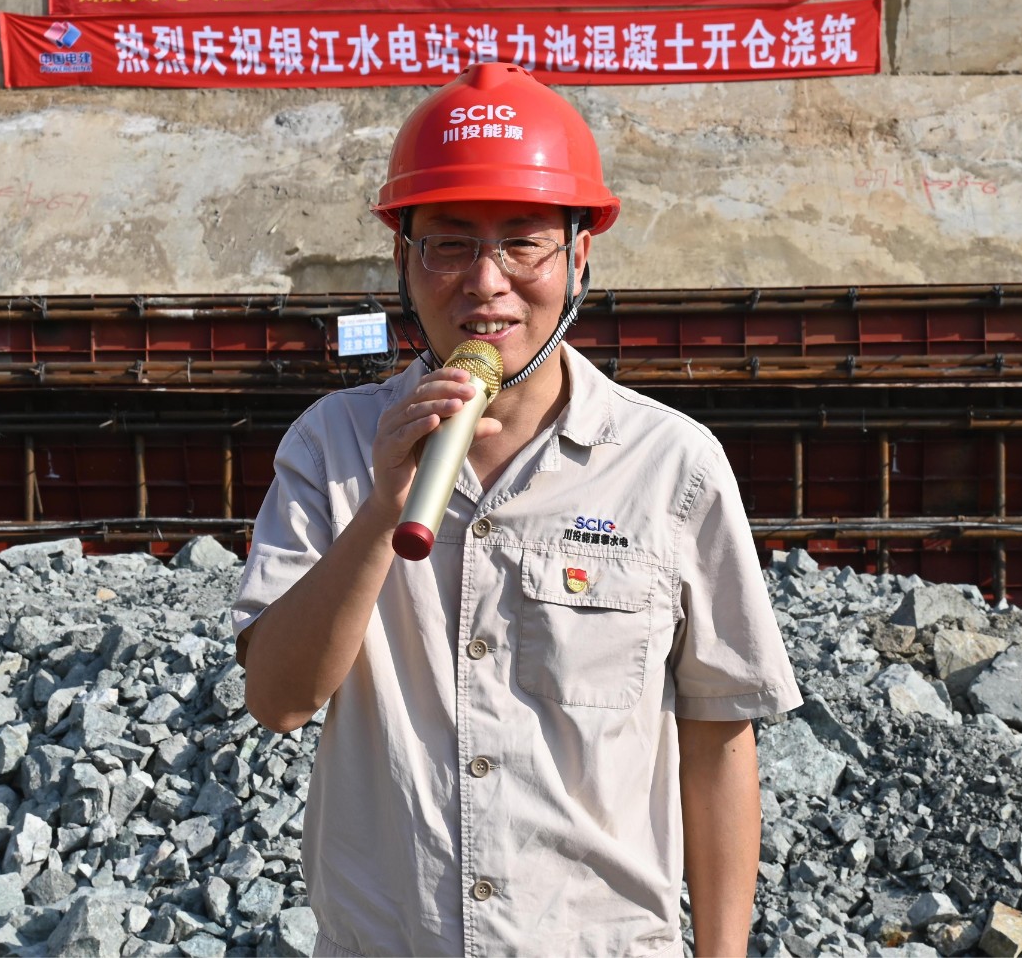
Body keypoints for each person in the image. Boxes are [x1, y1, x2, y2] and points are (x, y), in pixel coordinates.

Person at [232, 62, 800, 958]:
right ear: (404, 262)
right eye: (449, 245)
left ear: (579, 258)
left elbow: (718, 737)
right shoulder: (332, 446)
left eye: (524, 244)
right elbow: (278, 700)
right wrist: (382, 509)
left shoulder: (670, 466)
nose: (486, 282)